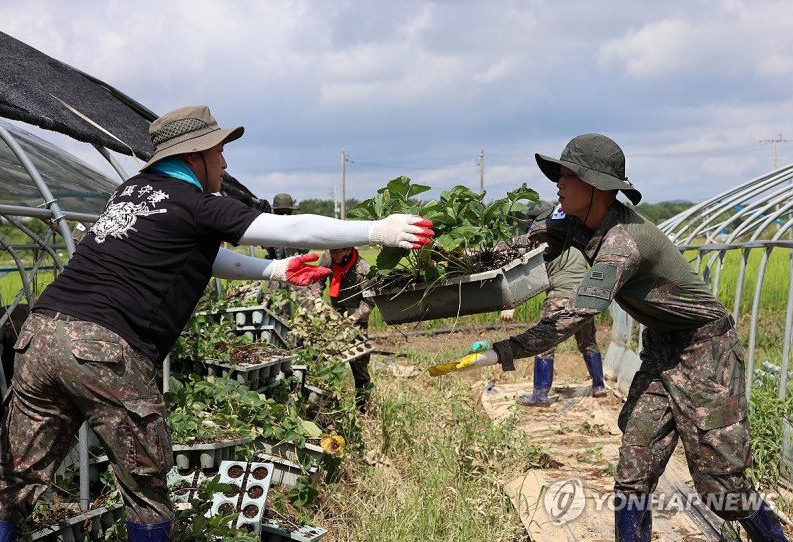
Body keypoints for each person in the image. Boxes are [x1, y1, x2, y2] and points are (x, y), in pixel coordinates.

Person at [0, 105, 434, 542]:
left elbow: (200, 254)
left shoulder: (131, 192)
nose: (224, 162)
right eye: (218, 151)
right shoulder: (196, 202)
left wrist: (275, 271)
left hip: (39, 336)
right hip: (102, 348)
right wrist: (377, 230)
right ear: (193, 156)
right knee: (146, 488)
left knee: (16, 478)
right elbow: (291, 229)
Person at [433, 134, 786, 541]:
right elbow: (522, 244)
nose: (558, 184)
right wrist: (450, 260)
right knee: (633, 473)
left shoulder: (623, 244)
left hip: (706, 351)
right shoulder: (580, 224)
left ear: (597, 186)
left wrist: (502, 351)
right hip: (662, 348)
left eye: (568, 176)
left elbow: (573, 315)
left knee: (721, 486)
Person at [501, 244, 605, 406]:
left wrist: (511, 307)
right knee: (588, 343)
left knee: (544, 347)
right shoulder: (578, 245)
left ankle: (540, 395)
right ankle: (599, 387)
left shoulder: (547, 247)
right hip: (585, 299)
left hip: (559, 299)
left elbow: (528, 280)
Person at [310, 246, 375, 412]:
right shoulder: (328, 257)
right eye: (332, 251)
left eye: (337, 252)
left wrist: (353, 318)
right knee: (326, 360)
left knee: (359, 365)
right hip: (335, 315)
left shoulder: (363, 270)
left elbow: (370, 301)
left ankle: (362, 408)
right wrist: (317, 299)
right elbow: (318, 279)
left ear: (347, 250)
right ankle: (326, 405)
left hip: (357, 321)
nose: (333, 255)